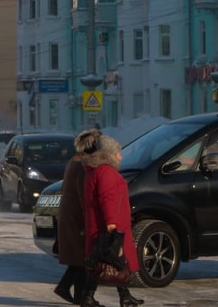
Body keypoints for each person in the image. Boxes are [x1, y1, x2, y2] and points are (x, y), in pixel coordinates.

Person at [82, 134, 144, 307]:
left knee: (108, 261)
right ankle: (94, 297)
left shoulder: (97, 170)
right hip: (109, 224)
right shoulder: (106, 172)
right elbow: (107, 198)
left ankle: (120, 296)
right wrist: (111, 222)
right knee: (112, 260)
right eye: (118, 153)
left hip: (103, 223)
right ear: (110, 154)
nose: (121, 156)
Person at [53, 129, 101, 305]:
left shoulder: (75, 161)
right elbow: (84, 195)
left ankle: (65, 287)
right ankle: (82, 297)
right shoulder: (82, 165)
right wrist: (88, 218)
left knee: (78, 258)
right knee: (83, 258)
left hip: (70, 215)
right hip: (77, 218)